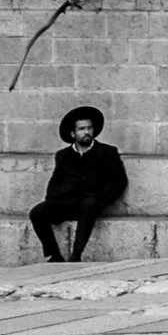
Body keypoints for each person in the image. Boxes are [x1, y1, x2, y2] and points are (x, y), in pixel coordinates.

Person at [29, 105, 127, 263]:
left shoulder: (107, 152)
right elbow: (55, 181)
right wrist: (51, 201)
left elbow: (120, 181)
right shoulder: (63, 155)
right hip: (66, 202)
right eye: (81, 129)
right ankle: (54, 255)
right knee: (37, 212)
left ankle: (76, 254)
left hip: (92, 202)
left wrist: (104, 200)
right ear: (73, 133)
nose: (86, 132)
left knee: (88, 204)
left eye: (89, 128)